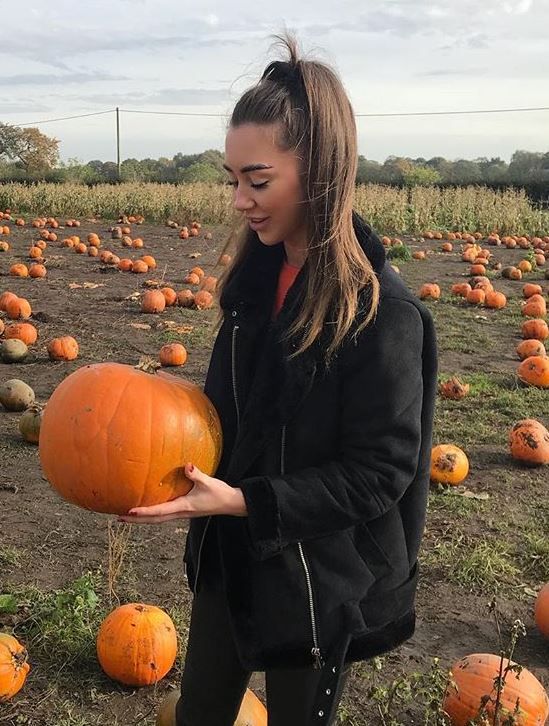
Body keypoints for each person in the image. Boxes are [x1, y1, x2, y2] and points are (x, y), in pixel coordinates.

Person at [119, 32, 438, 726]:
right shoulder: (251, 286)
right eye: (231, 180)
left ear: (319, 171)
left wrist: (245, 502)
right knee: (201, 711)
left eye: (257, 181)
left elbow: (379, 473)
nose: (240, 200)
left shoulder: (383, 314)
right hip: (229, 556)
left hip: (317, 576)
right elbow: (230, 416)